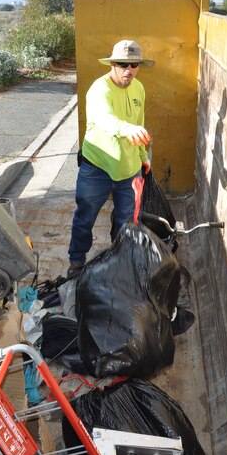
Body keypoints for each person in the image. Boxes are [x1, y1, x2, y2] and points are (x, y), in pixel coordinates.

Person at [67, 40, 154, 279]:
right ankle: (76, 262)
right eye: (123, 64)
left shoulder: (139, 89)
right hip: (97, 168)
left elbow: (140, 123)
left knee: (127, 224)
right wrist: (126, 129)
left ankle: (120, 263)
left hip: (129, 170)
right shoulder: (99, 89)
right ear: (113, 64)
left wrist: (142, 157)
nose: (129, 70)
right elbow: (103, 118)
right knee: (85, 217)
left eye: (134, 64)